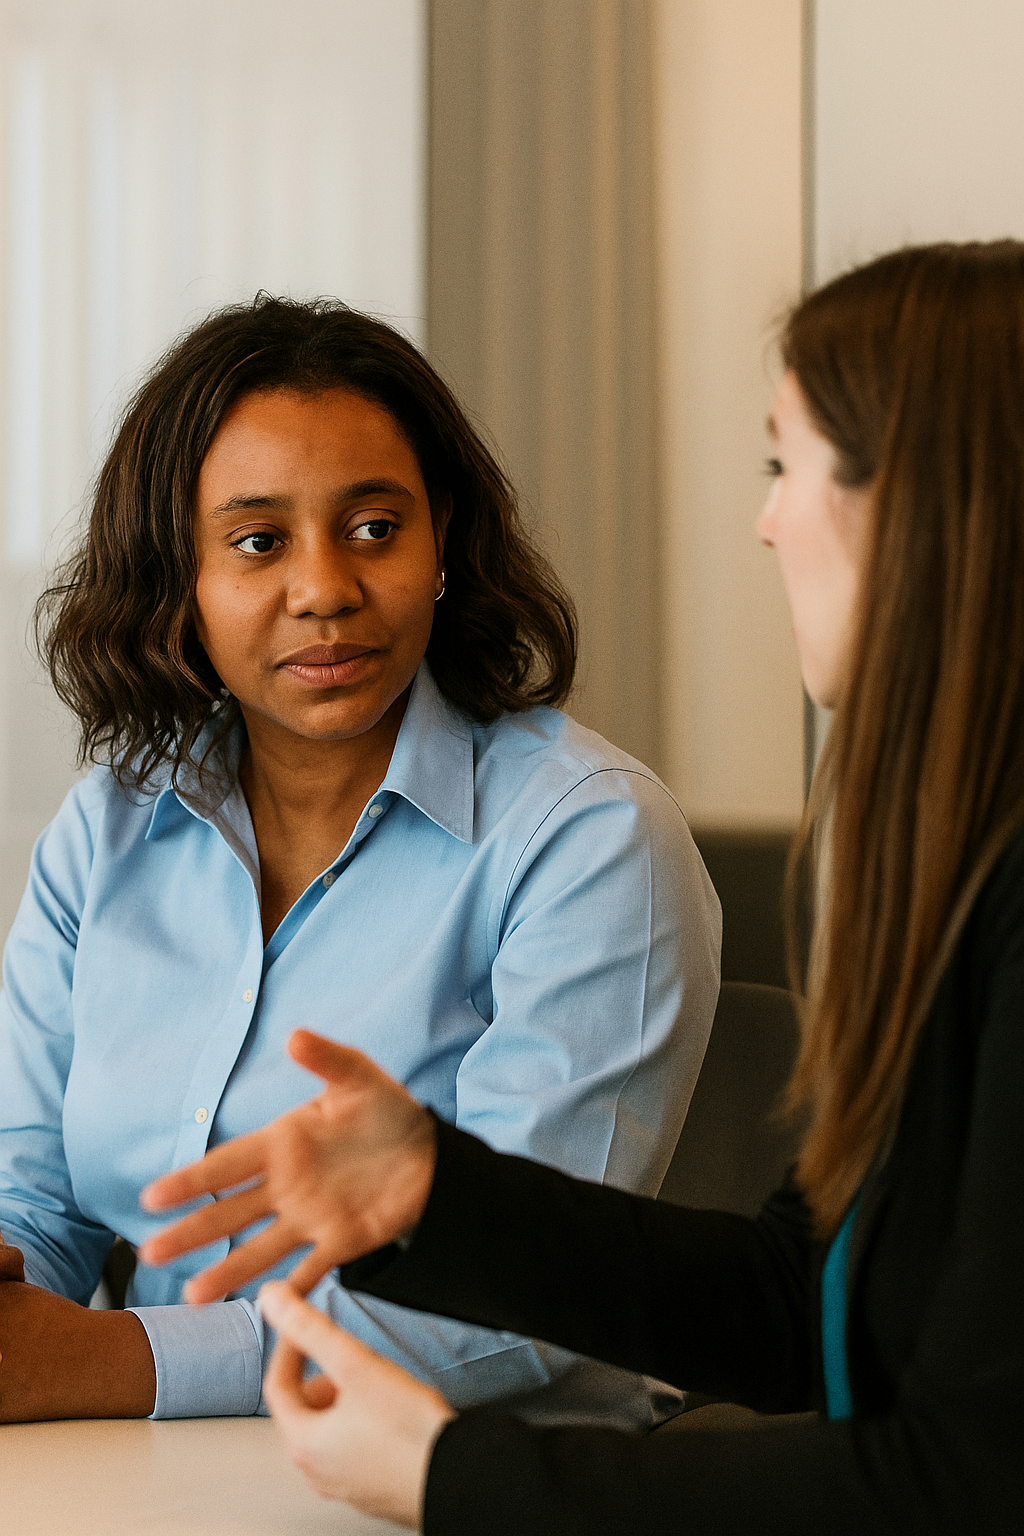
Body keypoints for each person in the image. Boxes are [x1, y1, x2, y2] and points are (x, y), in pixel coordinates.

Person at [144, 241, 1024, 1533]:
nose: (766, 519)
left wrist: (462, 1481)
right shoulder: (950, 878)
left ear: (935, 501)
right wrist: (435, 1193)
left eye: (789, 465)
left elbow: (970, 1481)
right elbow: (800, 1294)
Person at [0, 298, 721, 1423]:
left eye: (376, 527)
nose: (326, 587)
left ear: (444, 545)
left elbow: (524, 1294)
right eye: (256, 541)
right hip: (141, 1471)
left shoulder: (588, 836)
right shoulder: (106, 832)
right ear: (178, 581)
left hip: (477, 1480)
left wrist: (106, 1364)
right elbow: (32, 1197)